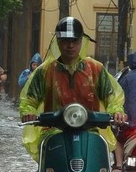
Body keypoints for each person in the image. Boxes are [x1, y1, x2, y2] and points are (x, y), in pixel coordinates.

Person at [19, 16, 128, 161]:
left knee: (101, 165)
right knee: (48, 165)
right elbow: (29, 99)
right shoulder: (45, 71)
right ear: (58, 41)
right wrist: (28, 112)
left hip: (90, 131)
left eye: (74, 41)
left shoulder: (96, 69)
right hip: (53, 132)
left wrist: (117, 112)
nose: (70, 45)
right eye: (65, 41)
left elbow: (112, 97)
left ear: (81, 41)